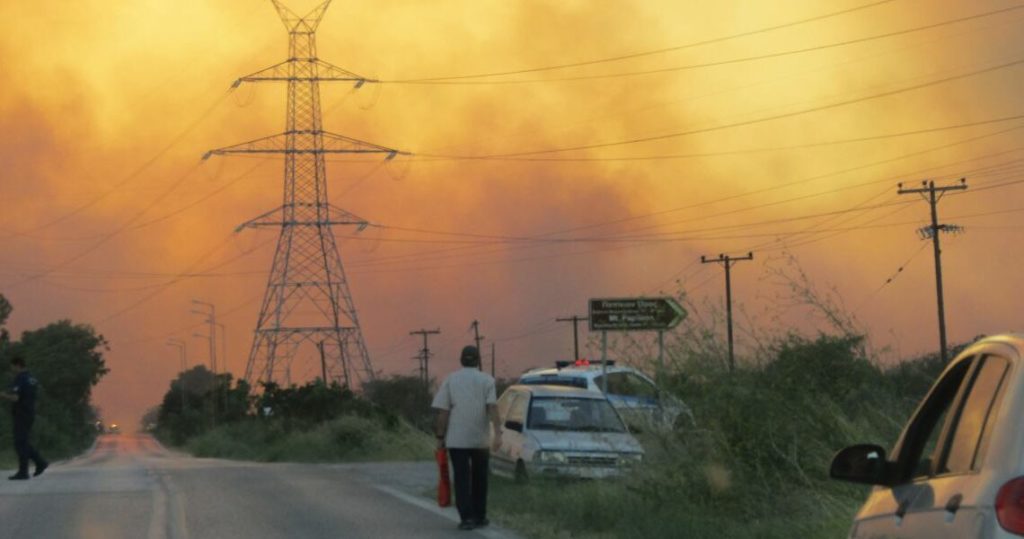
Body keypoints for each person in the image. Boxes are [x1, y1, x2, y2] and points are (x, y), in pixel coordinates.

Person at [432, 345, 501, 531]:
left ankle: (467, 518)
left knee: (461, 479)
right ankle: (480, 516)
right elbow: (492, 408)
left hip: (457, 440)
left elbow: (443, 412)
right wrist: (498, 434)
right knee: (480, 478)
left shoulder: (451, 380)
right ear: (478, 360)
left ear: (461, 359)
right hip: (481, 439)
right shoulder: (487, 380)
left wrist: (440, 437)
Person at [2, 355, 47, 480]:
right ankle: (39, 463)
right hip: (29, 412)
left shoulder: (20, 378)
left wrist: (3, 395)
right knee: (23, 442)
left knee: (20, 442)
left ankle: (26, 470)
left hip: (21, 413)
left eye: (12, 367)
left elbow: (15, 398)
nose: (11, 369)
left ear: (17, 365)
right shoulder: (31, 378)